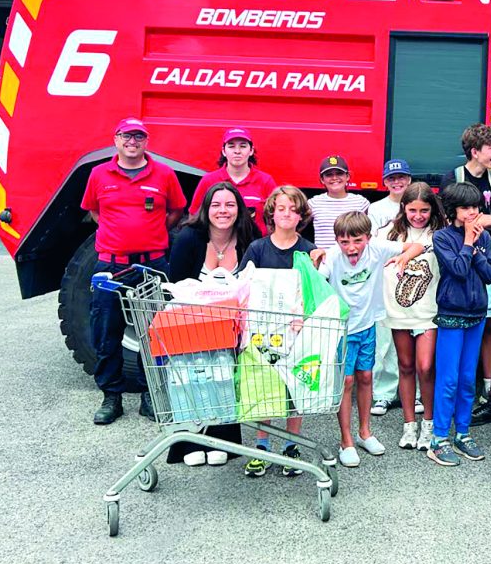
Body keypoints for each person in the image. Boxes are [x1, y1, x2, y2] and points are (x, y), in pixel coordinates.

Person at [81, 117, 187, 426]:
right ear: (116, 139)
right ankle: (110, 397)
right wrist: (119, 238)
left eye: (139, 136)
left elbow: (177, 210)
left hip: (152, 266)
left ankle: (148, 395)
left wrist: (150, 236)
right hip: (110, 266)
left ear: (146, 141)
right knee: (106, 331)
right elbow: (93, 210)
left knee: (152, 333)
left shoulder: (164, 174)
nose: (133, 141)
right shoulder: (99, 174)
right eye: (127, 136)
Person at [314, 212, 422, 468]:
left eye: (357, 241)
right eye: (344, 242)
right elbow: (316, 282)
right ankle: (346, 440)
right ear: (337, 241)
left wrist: (403, 256)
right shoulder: (331, 257)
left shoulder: (377, 248)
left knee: (365, 377)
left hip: (367, 326)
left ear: (368, 238)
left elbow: (418, 245)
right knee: (346, 381)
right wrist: (314, 261)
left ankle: (365, 432)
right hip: (342, 331)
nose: (351, 248)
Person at [166, 181, 261, 466]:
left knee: (223, 378)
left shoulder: (249, 238)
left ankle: (223, 438)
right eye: (216, 205)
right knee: (190, 379)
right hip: (192, 324)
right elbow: (176, 286)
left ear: (239, 209)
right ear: (206, 209)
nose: (223, 211)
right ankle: (190, 440)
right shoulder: (189, 238)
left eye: (230, 204)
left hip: (230, 327)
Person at [236, 185, 317, 477]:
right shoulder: (258, 248)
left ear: (301, 216)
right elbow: (242, 287)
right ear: (271, 212)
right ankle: (261, 445)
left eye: (293, 209)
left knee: (293, 389)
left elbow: (313, 291)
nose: (286, 214)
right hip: (262, 334)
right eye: (280, 208)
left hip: (295, 334)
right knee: (263, 388)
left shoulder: (307, 250)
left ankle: (290, 445)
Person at [442, 124, 491, 432]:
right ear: (475, 152)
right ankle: (443, 429)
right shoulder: (453, 178)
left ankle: (486, 385)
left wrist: (484, 225)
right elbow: (453, 222)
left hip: (486, 245)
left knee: (487, 314)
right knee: (451, 374)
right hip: (460, 254)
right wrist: (484, 222)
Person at [428, 182, 491, 466]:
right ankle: (439, 438)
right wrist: (469, 243)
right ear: (452, 209)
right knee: (448, 379)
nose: (471, 212)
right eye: (465, 207)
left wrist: (477, 249)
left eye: (475, 207)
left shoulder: (485, 237)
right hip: (451, 313)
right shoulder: (442, 237)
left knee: (468, 379)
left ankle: (463, 433)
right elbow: (456, 270)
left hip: (477, 313)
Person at [379, 181, 445, 452]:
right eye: (413, 209)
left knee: (425, 367)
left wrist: (408, 255)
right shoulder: (387, 234)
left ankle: (428, 424)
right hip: (398, 311)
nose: (418, 215)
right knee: (405, 366)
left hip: (428, 311)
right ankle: (409, 425)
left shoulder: (439, 233)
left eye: (425, 210)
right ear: (403, 207)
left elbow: (426, 247)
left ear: (432, 210)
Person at [367, 159, 413, 417]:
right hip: (385, 278)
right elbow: (371, 243)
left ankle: (414, 393)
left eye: (402, 178)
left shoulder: (417, 202)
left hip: (414, 279)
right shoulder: (376, 208)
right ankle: (383, 394)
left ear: (409, 179)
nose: (397, 183)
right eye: (392, 179)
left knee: (412, 336)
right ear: (384, 181)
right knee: (384, 341)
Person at [188, 127, 277, 235]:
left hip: (255, 247)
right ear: (224, 151)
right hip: (218, 246)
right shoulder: (209, 180)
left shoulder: (266, 181)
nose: (237, 151)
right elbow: (194, 215)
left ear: (251, 151)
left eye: (243, 146)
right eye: (231, 146)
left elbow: (275, 218)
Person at [309, 154, 370, 250]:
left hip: (354, 259)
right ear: (322, 179)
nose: (334, 178)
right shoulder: (313, 203)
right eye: (329, 175)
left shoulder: (361, 202)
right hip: (325, 261)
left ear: (348, 176)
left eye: (339, 173)